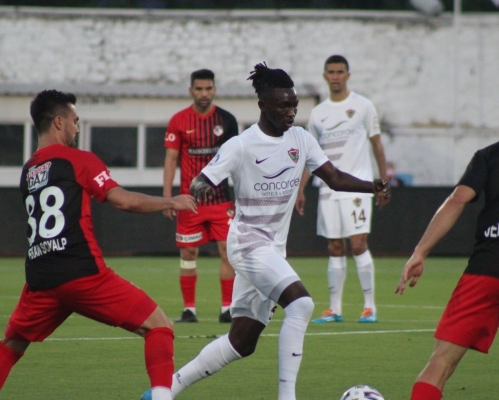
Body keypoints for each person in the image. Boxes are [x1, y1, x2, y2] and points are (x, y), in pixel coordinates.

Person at [142, 63, 390, 400]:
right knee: (301, 305)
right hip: (247, 245)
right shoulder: (241, 145)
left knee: (241, 342)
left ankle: (166, 390)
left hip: (272, 250)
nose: (291, 112)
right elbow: (203, 179)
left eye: (294, 105)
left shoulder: (301, 139)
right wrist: (196, 190)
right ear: (263, 105)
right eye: (283, 106)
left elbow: (333, 178)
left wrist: (371, 186)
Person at [0, 90, 197, 400]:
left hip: (41, 278)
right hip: (81, 272)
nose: (77, 128)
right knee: (159, 326)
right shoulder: (78, 160)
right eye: (75, 121)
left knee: (10, 347)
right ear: (59, 122)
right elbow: (123, 201)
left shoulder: (28, 171)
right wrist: (170, 201)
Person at [396, 86, 499, 400]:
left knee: (442, 360)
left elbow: (457, 200)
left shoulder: (490, 155)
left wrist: (420, 252)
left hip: (489, 269)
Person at [295, 54, 388, 324]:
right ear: (325, 76)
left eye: (340, 72)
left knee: (358, 244)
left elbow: (377, 145)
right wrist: (301, 189)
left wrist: (383, 183)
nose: (335, 76)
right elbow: (311, 157)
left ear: (348, 75)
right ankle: (334, 310)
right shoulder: (318, 113)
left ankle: (369, 307)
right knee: (335, 247)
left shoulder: (363, 106)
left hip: (358, 186)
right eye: (331, 72)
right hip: (328, 190)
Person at [163, 68, 239, 323]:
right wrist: (167, 198)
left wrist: (240, 196)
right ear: (191, 90)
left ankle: (228, 309)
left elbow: (236, 160)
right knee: (188, 254)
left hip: (221, 200)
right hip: (190, 202)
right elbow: (171, 159)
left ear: (214, 90)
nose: (204, 93)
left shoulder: (226, 120)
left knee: (227, 252)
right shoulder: (179, 120)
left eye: (208, 88)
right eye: (199, 89)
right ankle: (189, 310)